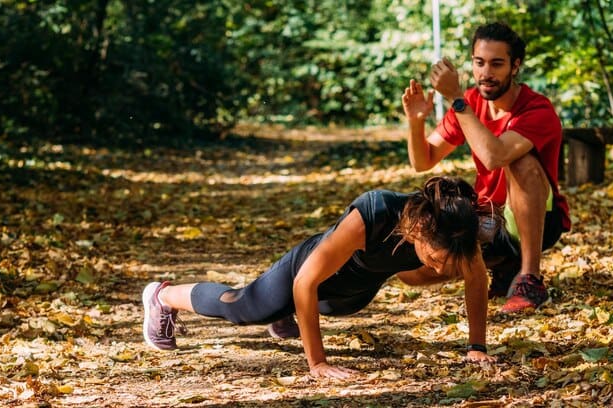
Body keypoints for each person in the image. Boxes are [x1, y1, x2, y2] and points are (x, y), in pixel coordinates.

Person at [142, 176, 495, 379]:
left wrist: (476, 348)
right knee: (244, 308)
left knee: (430, 275)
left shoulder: (458, 229)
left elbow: (475, 279)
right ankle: (162, 296)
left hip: (350, 294)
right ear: (418, 229)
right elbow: (305, 283)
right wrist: (318, 363)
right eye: (434, 259)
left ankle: (284, 313)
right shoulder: (373, 213)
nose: (438, 268)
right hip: (307, 274)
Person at [400, 22, 571, 313]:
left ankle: (530, 279)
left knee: (522, 162)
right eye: (479, 63)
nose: (486, 73)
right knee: (409, 270)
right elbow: (422, 161)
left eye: (497, 64)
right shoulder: (470, 103)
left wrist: (456, 99)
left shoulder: (537, 110)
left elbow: (495, 156)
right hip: (486, 217)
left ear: (515, 66)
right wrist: (416, 122)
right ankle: (503, 267)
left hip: (536, 219)